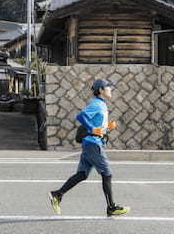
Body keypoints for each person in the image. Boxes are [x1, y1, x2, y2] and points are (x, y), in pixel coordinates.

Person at [48, 78, 130, 217]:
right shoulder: (97, 104)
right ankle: (111, 207)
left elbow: (97, 126)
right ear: (101, 90)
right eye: (108, 87)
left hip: (89, 144)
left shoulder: (102, 104)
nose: (111, 89)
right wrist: (92, 129)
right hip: (93, 144)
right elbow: (81, 116)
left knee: (82, 175)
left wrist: (107, 127)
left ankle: (57, 194)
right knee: (107, 174)